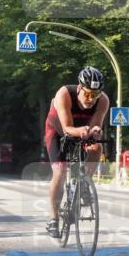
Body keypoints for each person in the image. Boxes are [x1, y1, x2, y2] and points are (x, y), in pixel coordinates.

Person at [43, 66, 110, 238]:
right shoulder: (64, 94)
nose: (91, 99)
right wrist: (81, 131)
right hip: (58, 131)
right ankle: (53, 219)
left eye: (95, 95)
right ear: (79, 88)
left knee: (96, 147)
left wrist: (95, 132)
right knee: (60, 171)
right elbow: (67, 128)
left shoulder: (103, 100)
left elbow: (94, 127)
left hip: (82, 130)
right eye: (87, 94)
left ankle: (84, 183)